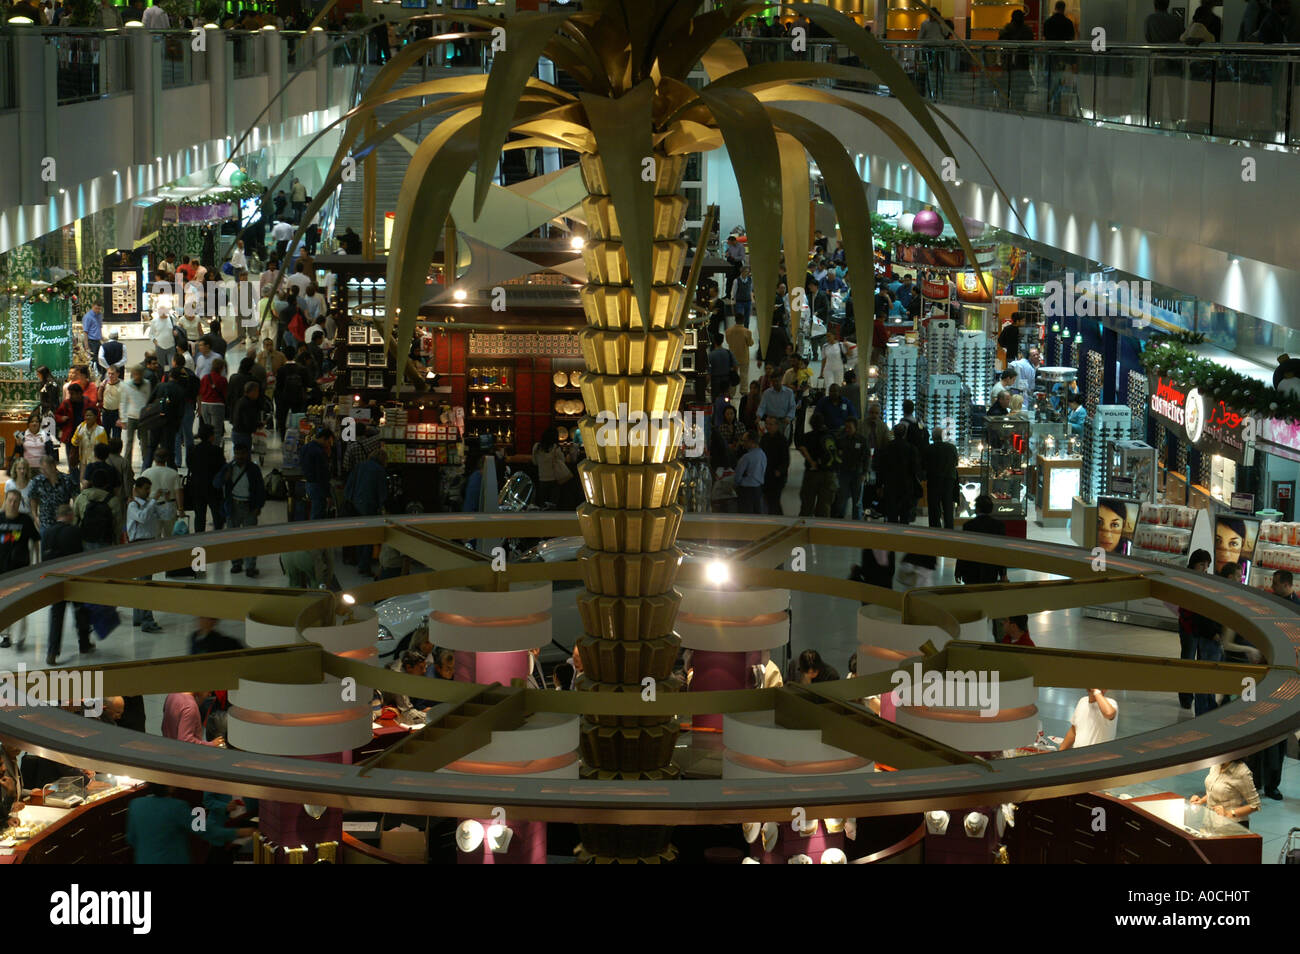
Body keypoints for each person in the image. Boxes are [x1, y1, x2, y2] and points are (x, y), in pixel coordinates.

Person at [42, 505, 92, 666]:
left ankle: (52, 652)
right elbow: (80, 557)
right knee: (80, 611)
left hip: (54, 580)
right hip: (72, 578)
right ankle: (84, 644)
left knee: (56, 616)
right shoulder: (74, 531)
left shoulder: (47, 532)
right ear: (70, 515)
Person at [214, 443, 266, 577]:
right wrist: (225, 477)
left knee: (251, 538)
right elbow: (216, 483)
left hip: (249, 506)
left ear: (247, 454)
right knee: (233, 537)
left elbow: (260, 489)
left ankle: (250, 566)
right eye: (237, 454)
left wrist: (258, 506)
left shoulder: (253, 469)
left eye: (242, 454)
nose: (239, 457)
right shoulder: (228, 468)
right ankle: (236, 563)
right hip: (233, 506)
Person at [0, 489, 40, 650]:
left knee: (20, 604)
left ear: (20, 503)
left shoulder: (26, 520)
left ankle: (20, 637)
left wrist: (37, 562)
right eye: (10, 500)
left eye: (16, 501)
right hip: (2, 569)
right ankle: (6, 635)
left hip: (21, 569)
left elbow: (36, 541)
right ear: (5, 501)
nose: (13, 504)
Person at [126, 477, 165, 632]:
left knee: (142, 582)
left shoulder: (150, 504)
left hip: (149, 543)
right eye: (145, 489)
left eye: (149, 489)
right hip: (139, 545)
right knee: (145, 584)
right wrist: (153, 501)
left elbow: (165, 515)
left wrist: (166, 502)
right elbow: (142, 518)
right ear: (137, 489)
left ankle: (138, 617)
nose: (148, 492)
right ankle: (147, 621)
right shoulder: (132, 506)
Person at [344, 446, 387, 574]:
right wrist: (383, 506)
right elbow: (382, 492)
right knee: (369, 536)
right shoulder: (380, 470)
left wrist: (349, 499)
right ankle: (364, 566)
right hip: (369, 506)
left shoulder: (360, 465)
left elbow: (350, 483)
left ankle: (358, 560)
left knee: (360, 534)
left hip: (355, 503)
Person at [1189, 760, 1261, 827]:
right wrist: (1201, 801)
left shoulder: (1242, 771)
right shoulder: (1216, 764)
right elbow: (1214, 791)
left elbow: (1255, 805)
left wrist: (1228, 813)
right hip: (1210, 822)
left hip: (1232, 826)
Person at [875, 422, 922, 524]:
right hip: (906, 485)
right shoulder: (911, 448)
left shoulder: (887, 448)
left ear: (894, 433)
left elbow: (881, 468)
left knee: (892, 514)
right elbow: (915, 469)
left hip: (890, 485)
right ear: (905, 434)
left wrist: (879, 485)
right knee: (905, 515)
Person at [796, 413, 840, 518]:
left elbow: (801, 448)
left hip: (812, 473)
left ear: (811, 423)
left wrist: (811, 461)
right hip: (829, 474)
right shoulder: (831, 436)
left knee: (807, 506)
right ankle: (822, 531)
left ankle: (805, 530)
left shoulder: (808, 437)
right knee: (824, 507)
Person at [187, 423, 225, 534]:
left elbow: (190, 466)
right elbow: (222, 468)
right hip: (213, 488)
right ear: (210, 436)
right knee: (217, 515)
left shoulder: (192, 450)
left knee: (199, 516)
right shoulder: (217, 451)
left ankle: (199, 538)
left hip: (197, 487)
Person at [29, 454, 78, 531]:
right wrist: (35, 517)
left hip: (64, 525)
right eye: (41, 469)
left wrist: (74, 515)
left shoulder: (67, 480)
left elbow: (76, 498)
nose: (43, 472)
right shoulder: (37, 481)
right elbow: (33, 498)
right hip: (45, 524)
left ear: (53, 466)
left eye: (45, 469)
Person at [834, 417, 869, 520]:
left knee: (857, 501)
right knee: (842, 498)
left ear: (855, 428)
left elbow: (866, 458)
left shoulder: (862, 440)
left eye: (850, 427)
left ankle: (856, 520)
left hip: (858, 474)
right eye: (846, 427)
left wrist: (864, 473)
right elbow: (836, 456)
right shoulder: (841, 440)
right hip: (843, 474)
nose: (847, 429)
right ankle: (840, 518)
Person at [119, 364, 152, 470]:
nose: (137, 376)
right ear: (133, 374)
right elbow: (123, 402)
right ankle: (127, 464)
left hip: (143, 417)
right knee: (129, 442)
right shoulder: (126, 385)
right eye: (136, 374)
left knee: (144, 442)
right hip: (131, 416)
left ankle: (146, 464)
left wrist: (148, 414)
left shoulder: (147, 384)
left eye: (140, 374)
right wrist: (123, 418)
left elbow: (148, 400)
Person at [925, 427, 959, 529]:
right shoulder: (952, 447)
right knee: (948, 505)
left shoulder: (929, 449)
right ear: (942, 436)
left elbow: (925, 465)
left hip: (934, 480)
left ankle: (935, 528)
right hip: (949, 480)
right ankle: (949, 527)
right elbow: (956, 462)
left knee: (934, 506)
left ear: (932, 437)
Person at [532, 426, 573, 510]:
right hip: (554, 479)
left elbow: (534, 462)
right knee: (553, 505)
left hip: (542, 479)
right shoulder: (555, 448)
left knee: (542, 504)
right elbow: (562, 461)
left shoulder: (536, 447)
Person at [759, 415, 790, 516]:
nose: (768, 426)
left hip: (777, 476)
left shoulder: (782, 440)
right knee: (768, 500)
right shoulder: (764, 438)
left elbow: (786, 459)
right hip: (766, 475)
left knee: (774, 501)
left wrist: (780, 470)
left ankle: (778, 520)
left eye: (771, 424)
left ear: (777, 426)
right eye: (767, 424)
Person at [300, 425, 333, 519]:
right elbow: (322, 474)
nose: (329, 445)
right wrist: (328, 494)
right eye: (329, 442)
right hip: (317, 486)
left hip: (309, 483)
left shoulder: (305, 447)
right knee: (318, 513)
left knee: (314, 510)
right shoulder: (319, 452)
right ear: (324, 438)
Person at [53, 382, 87, 474]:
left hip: (85, 436)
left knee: (85, 461)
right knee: (71, 460)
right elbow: (56, 415)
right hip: (70, 436)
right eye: (70, 393)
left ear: (79, 393)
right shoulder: (66, 403)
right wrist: (62, 418)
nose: (70, 396)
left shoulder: (87, 403)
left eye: (72, 394)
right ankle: (74, 479)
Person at [733, 431, 766, 515]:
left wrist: (736, 485)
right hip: (758, 490)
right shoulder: (763, 455)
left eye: (744, 441)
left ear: (751, 442)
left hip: (746, 491)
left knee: (745, 518)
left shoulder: (746, 457)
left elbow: (737, 476)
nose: (742, 443)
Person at [71, 408, 107, 483]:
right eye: (86, 415)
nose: (88, 417)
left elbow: (104, 448)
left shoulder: (100, 430)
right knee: (82, 482)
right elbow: (73, 441)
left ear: (95, 417)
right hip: (83, 461)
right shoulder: (80, 427)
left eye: (90, 415)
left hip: (96, 463)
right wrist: (75, 441)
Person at [726, 314, 753, 386]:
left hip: (732, 357)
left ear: (735, 320)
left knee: (732, 376)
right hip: (744, 357)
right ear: (743, 320)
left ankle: (731, 393)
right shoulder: (747, 332)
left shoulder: (728, 331)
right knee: (744, 375)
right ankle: (744, 391)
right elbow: (750, 343)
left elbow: (728, 341)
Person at [708, 333, 737, 399]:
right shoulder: (728, 352)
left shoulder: (711, 355)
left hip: (715, 381)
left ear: (714, 341)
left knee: (715, 399)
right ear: (722, 341)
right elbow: (735, 366)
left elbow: (709, 372)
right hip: (726, 380)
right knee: (726, 397)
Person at [82, 302, 104, 368]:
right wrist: (86, 346)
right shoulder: (88, 317)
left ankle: (100, 376)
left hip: (97, 341)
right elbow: (85, 332)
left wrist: (102, 337)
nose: (97, 310)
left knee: (100, 359)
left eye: (99, 309)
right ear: (92, 306)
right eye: (96, 308)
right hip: (90, 341)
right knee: (92, 360)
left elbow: (99, 327)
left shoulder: (100, 315)